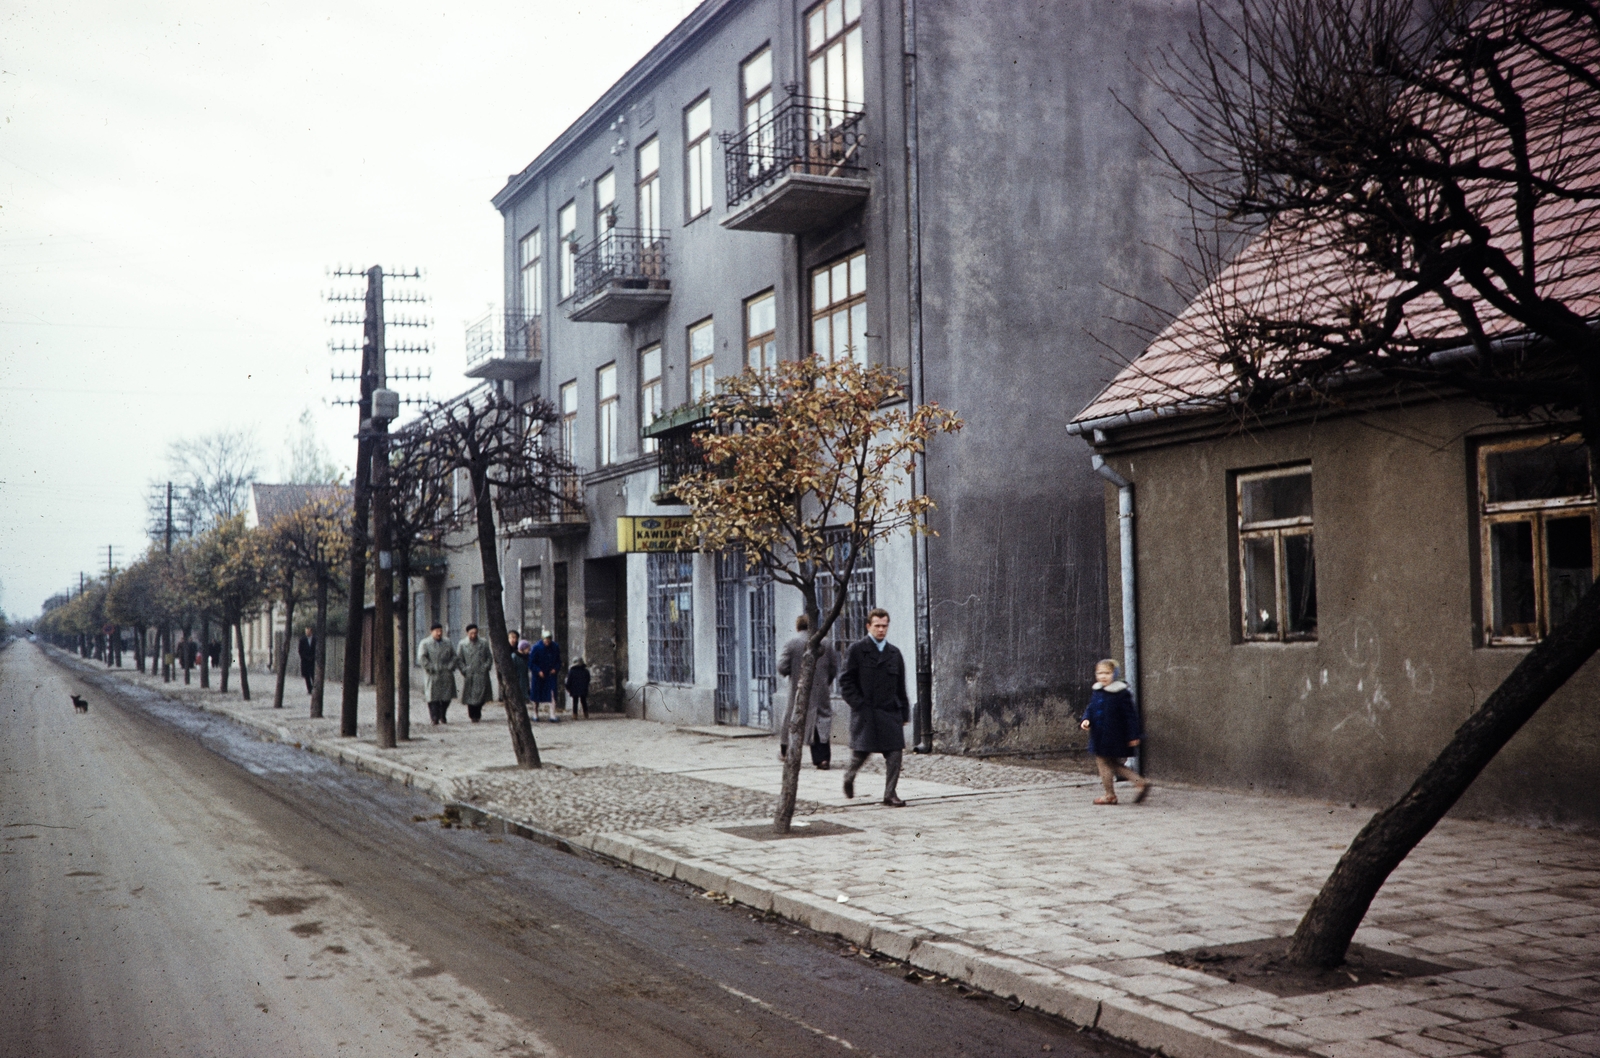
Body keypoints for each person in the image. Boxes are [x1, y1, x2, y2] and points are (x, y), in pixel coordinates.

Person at [837, 608, 911, 807]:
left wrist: (904, 712)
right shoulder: (857, 650)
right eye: (877, 626)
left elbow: (900, 686)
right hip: (866, 711)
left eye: (884, 626)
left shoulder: (894, 653)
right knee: (861, 753)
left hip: (889, 711)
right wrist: (858, 704)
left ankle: (890, 794)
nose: (881, 630)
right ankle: (849, 777)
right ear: (868, 626)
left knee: (895, 753)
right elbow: (845, 681)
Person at [1080, 659, 1151, 805]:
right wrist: (1086, 719)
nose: (1103, 676)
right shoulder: (1098, 691)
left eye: (1107, 673)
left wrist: (1133, 735)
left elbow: (1131, 716)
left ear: (1115, 674)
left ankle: (1110, 794)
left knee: (1104, 762)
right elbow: (1091, 708)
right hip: (1099, 735)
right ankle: (1139, 782)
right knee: (1112, 763)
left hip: (1114, 736)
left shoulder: (1120, 693)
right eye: (1100, 673)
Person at [778, 614, 839, 770]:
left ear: (798, 626)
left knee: (793, 718)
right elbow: (834, 668)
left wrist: (792, 672)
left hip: (798, 690)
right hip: (821, 690)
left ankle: (787, 753)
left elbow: (782, 667)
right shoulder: (826, 643)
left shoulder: (792, 643)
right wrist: (826, 680)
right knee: (821, 720)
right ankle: (822, 758)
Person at [415, 623, 457, 725]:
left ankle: (443, 714)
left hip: (446, 673)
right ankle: (434, 717)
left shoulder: (447, 642)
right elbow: (421, 658)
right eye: (436, 631)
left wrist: (450, 666)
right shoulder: (425, 643)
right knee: (433, 698)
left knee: (446, 697)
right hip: (433, 674)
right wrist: (430, 667)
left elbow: (454, 656)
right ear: (431, 632)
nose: (439, 633)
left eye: (440, 631)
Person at [455, 624, 494, 723]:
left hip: (481, 673)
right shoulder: (462, 644)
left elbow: (489, 657)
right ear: (467, 633)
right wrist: (464, 670)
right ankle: (473, 715)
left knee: (481, 696)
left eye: (475, 633)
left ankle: (478, 713)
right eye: (471, 633)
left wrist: (486, 667)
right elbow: (459, 659)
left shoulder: (483, 643)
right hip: (470, 673)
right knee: (470, 696)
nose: (473, 635)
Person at [529, 629, 561, 722]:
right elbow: (531, 663)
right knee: (536, 695)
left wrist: (555, 668)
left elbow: (558, 661)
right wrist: (538, 671)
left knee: (552, 694)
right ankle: (535, 714)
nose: (547, 641)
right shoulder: (536, 648)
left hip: (550, 674)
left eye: (549, 639)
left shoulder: (555, 647)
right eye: (545, 639)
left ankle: (552, 714)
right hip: (539, 675)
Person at [297, 627, 316, 695]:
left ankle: (315, 688)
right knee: (306, 675)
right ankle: (309, 689)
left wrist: (313, 657)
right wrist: (305, 657)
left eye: (308, 631)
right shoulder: (302, 640)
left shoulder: (315, 639)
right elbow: (300, 650)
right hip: (305, 661)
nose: (306, 633)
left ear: (311, 631)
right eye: (306, 631)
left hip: (313, 660)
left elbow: (317, 650)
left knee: (313, 675)